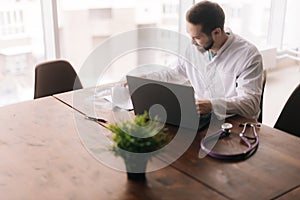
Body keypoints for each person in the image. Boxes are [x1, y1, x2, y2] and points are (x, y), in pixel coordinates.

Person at [143, 0, 263, 120]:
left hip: (235, 122)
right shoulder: (193, 48)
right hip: (203, 119)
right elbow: (172, 73)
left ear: (216, 32)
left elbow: (250, 104)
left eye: (197, 37)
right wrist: (145, 78)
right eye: (190, 36)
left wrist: (212, 105)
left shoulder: (249, 55)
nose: (192, 42)